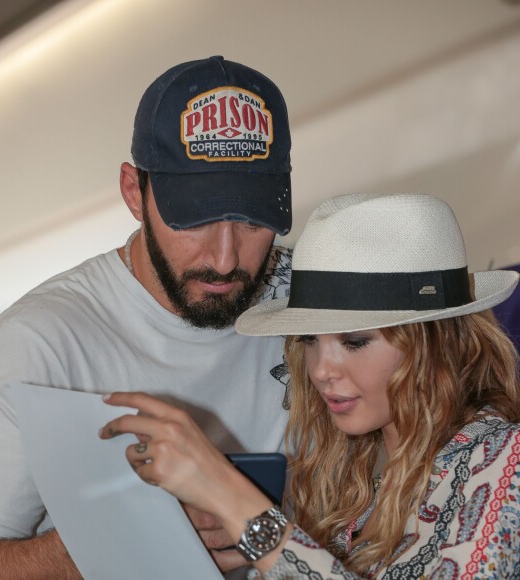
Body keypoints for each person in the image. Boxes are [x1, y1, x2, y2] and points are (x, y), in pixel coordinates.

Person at [0, 56, 293, 578]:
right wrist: (108, 533)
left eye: (251, 221)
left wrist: (263, 522)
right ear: (134, 192)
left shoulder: (314, 303)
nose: (225, 259)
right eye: (192, 218)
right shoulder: (41, 340)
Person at [99, 193, 520, 578]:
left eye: (355, 341)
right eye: (309, 341)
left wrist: (234, 501)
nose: (320, 370)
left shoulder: (509, 460)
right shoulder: (353, 496)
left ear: (437, 341)